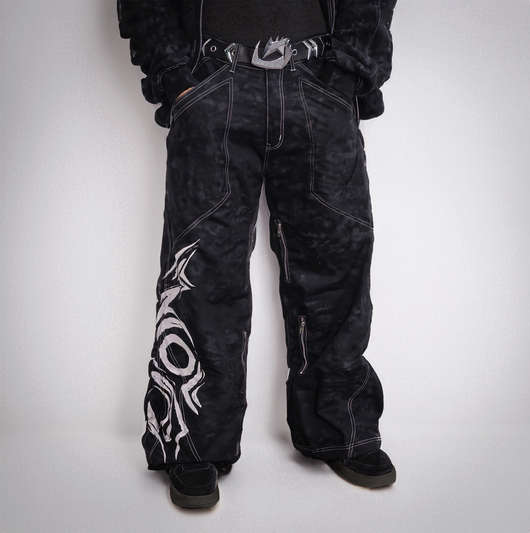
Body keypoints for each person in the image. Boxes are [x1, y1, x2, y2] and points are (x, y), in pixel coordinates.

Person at [117, 0, 398, 510]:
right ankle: (194, 443)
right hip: (211, 80)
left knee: (337, 266)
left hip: (320, 80)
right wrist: (176, 76)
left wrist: (346, 70)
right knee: (201, 270)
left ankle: (341, 429)